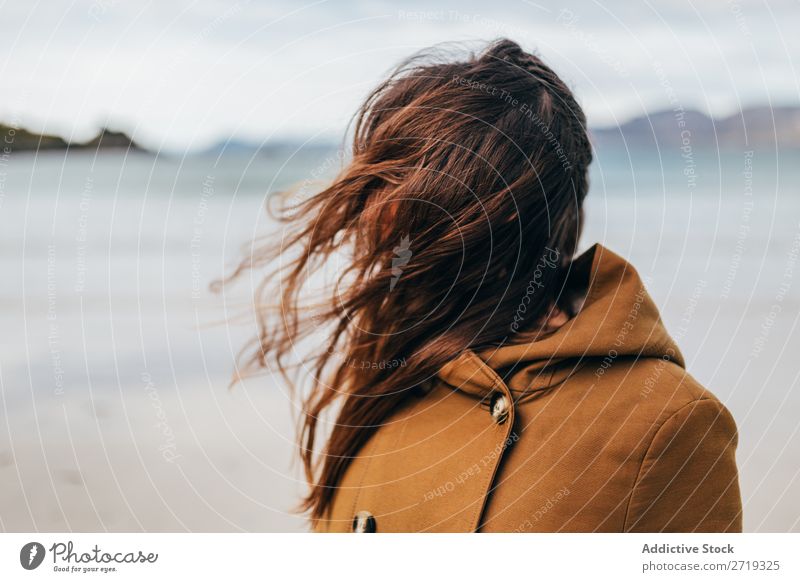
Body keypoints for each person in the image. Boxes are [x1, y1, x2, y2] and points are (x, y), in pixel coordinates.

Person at [230, 39, 742, 532]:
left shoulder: (667, 423)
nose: (369, 222)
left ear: (477, 217)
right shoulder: (387, 375)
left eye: (395, 189)